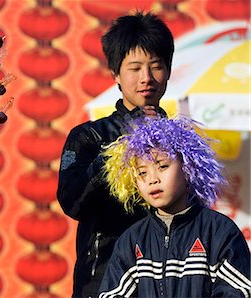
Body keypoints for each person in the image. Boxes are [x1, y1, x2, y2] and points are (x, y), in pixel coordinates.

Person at [57, 11, 174, 297]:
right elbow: (72, 203)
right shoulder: (89, 136)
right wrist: (121, 149)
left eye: (156, 66)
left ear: (168, 70)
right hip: (103, 281)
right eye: (135, 68)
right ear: (116, 74)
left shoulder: (180, 139)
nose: (146, 78)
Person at [98, 117, 251, 297]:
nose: (152, 179)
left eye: (162, 166)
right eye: (142, 173)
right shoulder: (132, 240)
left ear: (188, 169)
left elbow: (238, 290)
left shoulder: (219, 231)